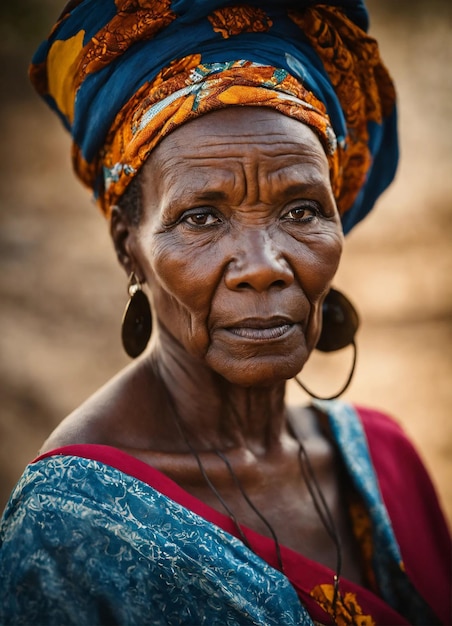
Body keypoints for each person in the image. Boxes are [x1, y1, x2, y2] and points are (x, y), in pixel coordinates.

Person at [0, 1, 450, 624]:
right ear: (128, 248)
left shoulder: (387, 459)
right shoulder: (71, 526)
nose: (263, 264)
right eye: (201, 218)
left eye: (301, 210)